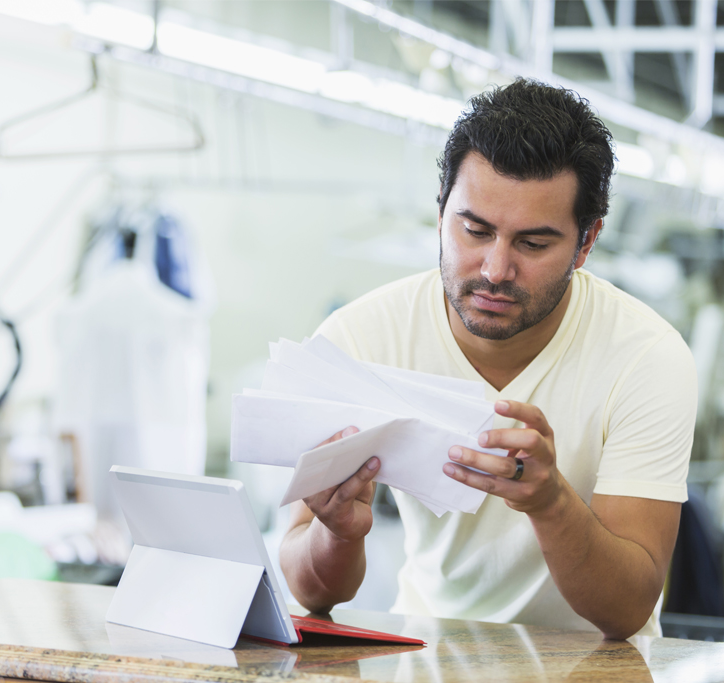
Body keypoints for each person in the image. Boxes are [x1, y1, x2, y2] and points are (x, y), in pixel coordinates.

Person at [279, 78, 696, 640]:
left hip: (596, 668)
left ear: (587, 240)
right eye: (474, 230)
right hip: (427, 653)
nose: (496, 269)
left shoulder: (646, 357)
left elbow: (626, 612)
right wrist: (337, 533)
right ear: (441, 214)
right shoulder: (361, 338)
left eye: (533, 244)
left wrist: (550, 502)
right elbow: (311, 593)